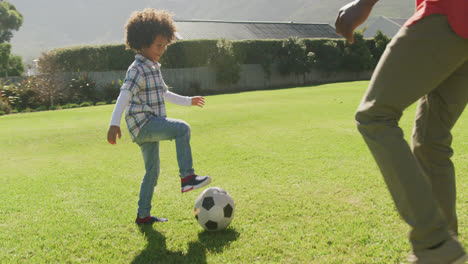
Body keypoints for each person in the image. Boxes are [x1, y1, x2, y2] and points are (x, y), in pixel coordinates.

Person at [335, 0, 468, 263]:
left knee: (374, 116)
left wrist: (364, 3)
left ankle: (434, 242)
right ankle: (443, 254)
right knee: (431, 141)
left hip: (448, 12)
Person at [107, 9, 211, 225]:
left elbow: (164, 93)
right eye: (158, 45)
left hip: (147, 127)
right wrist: (113, 123)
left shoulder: (153, 67)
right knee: (182, 129)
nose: (162, 50)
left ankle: (143, 215)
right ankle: (187, 178)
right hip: (143, 125)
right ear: (142, 43)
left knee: (152, 172)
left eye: (164, 45)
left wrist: (188, 100)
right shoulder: (137, 69)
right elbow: (124, 94)